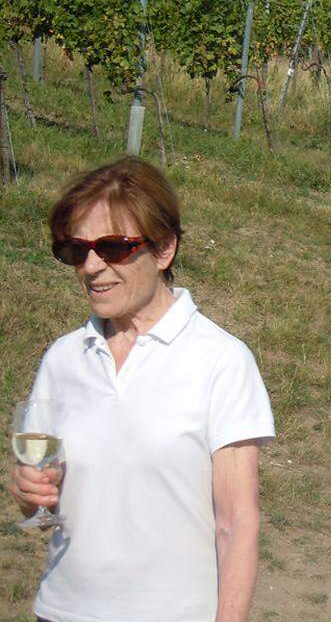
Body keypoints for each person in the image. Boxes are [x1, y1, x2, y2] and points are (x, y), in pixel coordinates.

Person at [9, 157, 275, 621]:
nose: (92, 267)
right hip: (61, 611)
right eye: (76, 250)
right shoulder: (64, 358)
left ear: (165, 249)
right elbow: (40, 502)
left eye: (113, 247)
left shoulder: (221, 361)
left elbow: (236, 523)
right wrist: (29, 492)